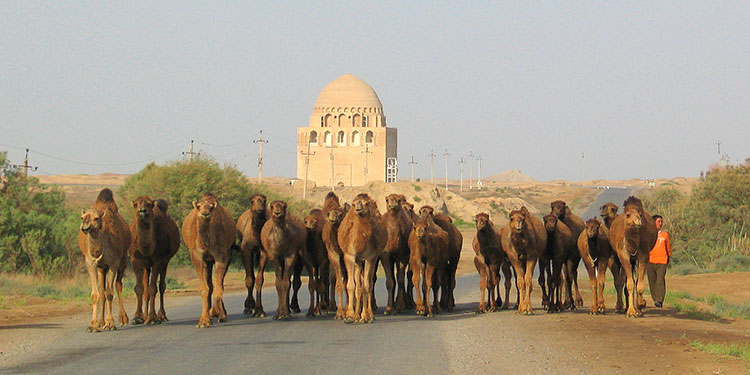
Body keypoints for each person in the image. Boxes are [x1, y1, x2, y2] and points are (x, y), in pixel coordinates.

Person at [647, 215, 671, 308]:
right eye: (658, 221)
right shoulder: (648, 235)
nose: (660, 223)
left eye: (661, 221)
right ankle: (655, 299)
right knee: (652, 281)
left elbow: (668, 247)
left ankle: (659, 300)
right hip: (650, 260)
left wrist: (668, 257)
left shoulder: (665, 234)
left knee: (660, 281)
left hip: (662, 261)